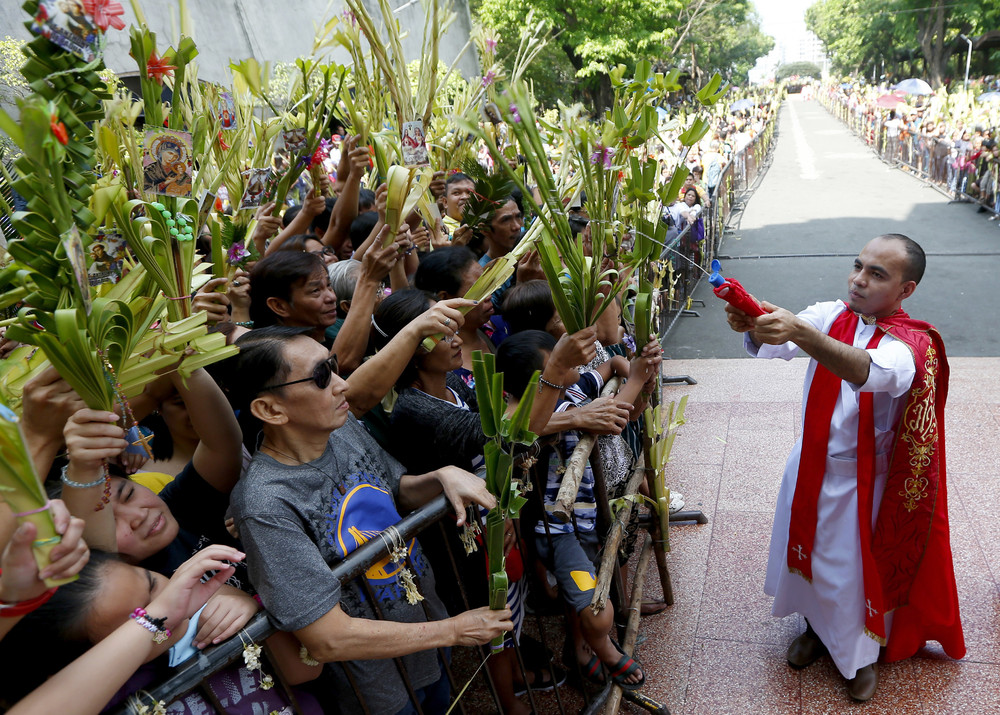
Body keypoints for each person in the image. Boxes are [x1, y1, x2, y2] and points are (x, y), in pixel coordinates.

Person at [724, 233, 964, 701]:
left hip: (865, 483)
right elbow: (780, 342)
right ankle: (815, 629)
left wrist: (799, 332)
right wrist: (755, 323)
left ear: (905, 290)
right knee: (808, 559)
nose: (858, 280)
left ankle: (859, 657)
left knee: (852, 576)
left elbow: (866, 371)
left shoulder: (913, 344)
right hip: (809, 465)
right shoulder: (830, 314)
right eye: (858, 266)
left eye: (877, 274)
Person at [227, 326, 513, 715]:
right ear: (270, 410)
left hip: (427, 643)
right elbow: (326, 638)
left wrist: (441, 476)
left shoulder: (341, 428)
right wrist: (453, 630)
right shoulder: (264, 505)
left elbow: (394, 488)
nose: (342, 385)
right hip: (377, 689)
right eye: (322, 376)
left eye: (333, 365)